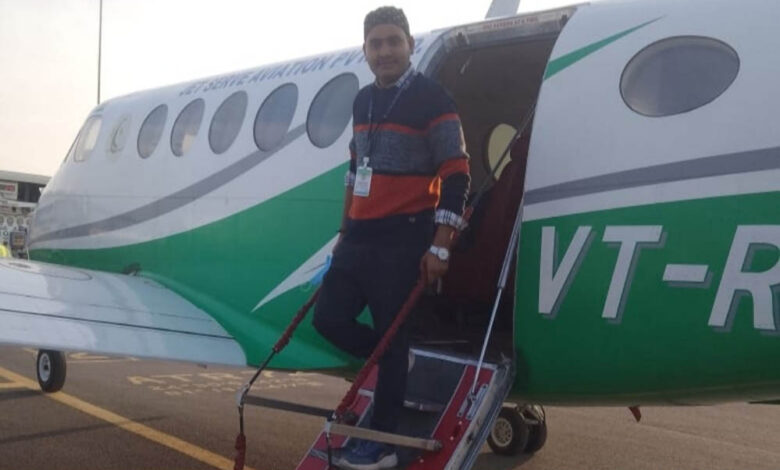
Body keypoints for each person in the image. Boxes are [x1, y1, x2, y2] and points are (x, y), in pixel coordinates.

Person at [312, 6, 470, 469]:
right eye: (375, 44)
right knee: (328, 319)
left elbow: (457, 172)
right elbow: (353, 168)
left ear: (410, 45)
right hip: (359, 235)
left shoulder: (432, 98)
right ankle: (394, 360)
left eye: (393, 42)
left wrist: (440, 244)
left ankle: (380, 444)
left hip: (404, 236)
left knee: (391, 337)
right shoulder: (363, 101)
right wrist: (343, 231)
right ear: (365, 51)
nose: (384, 52)